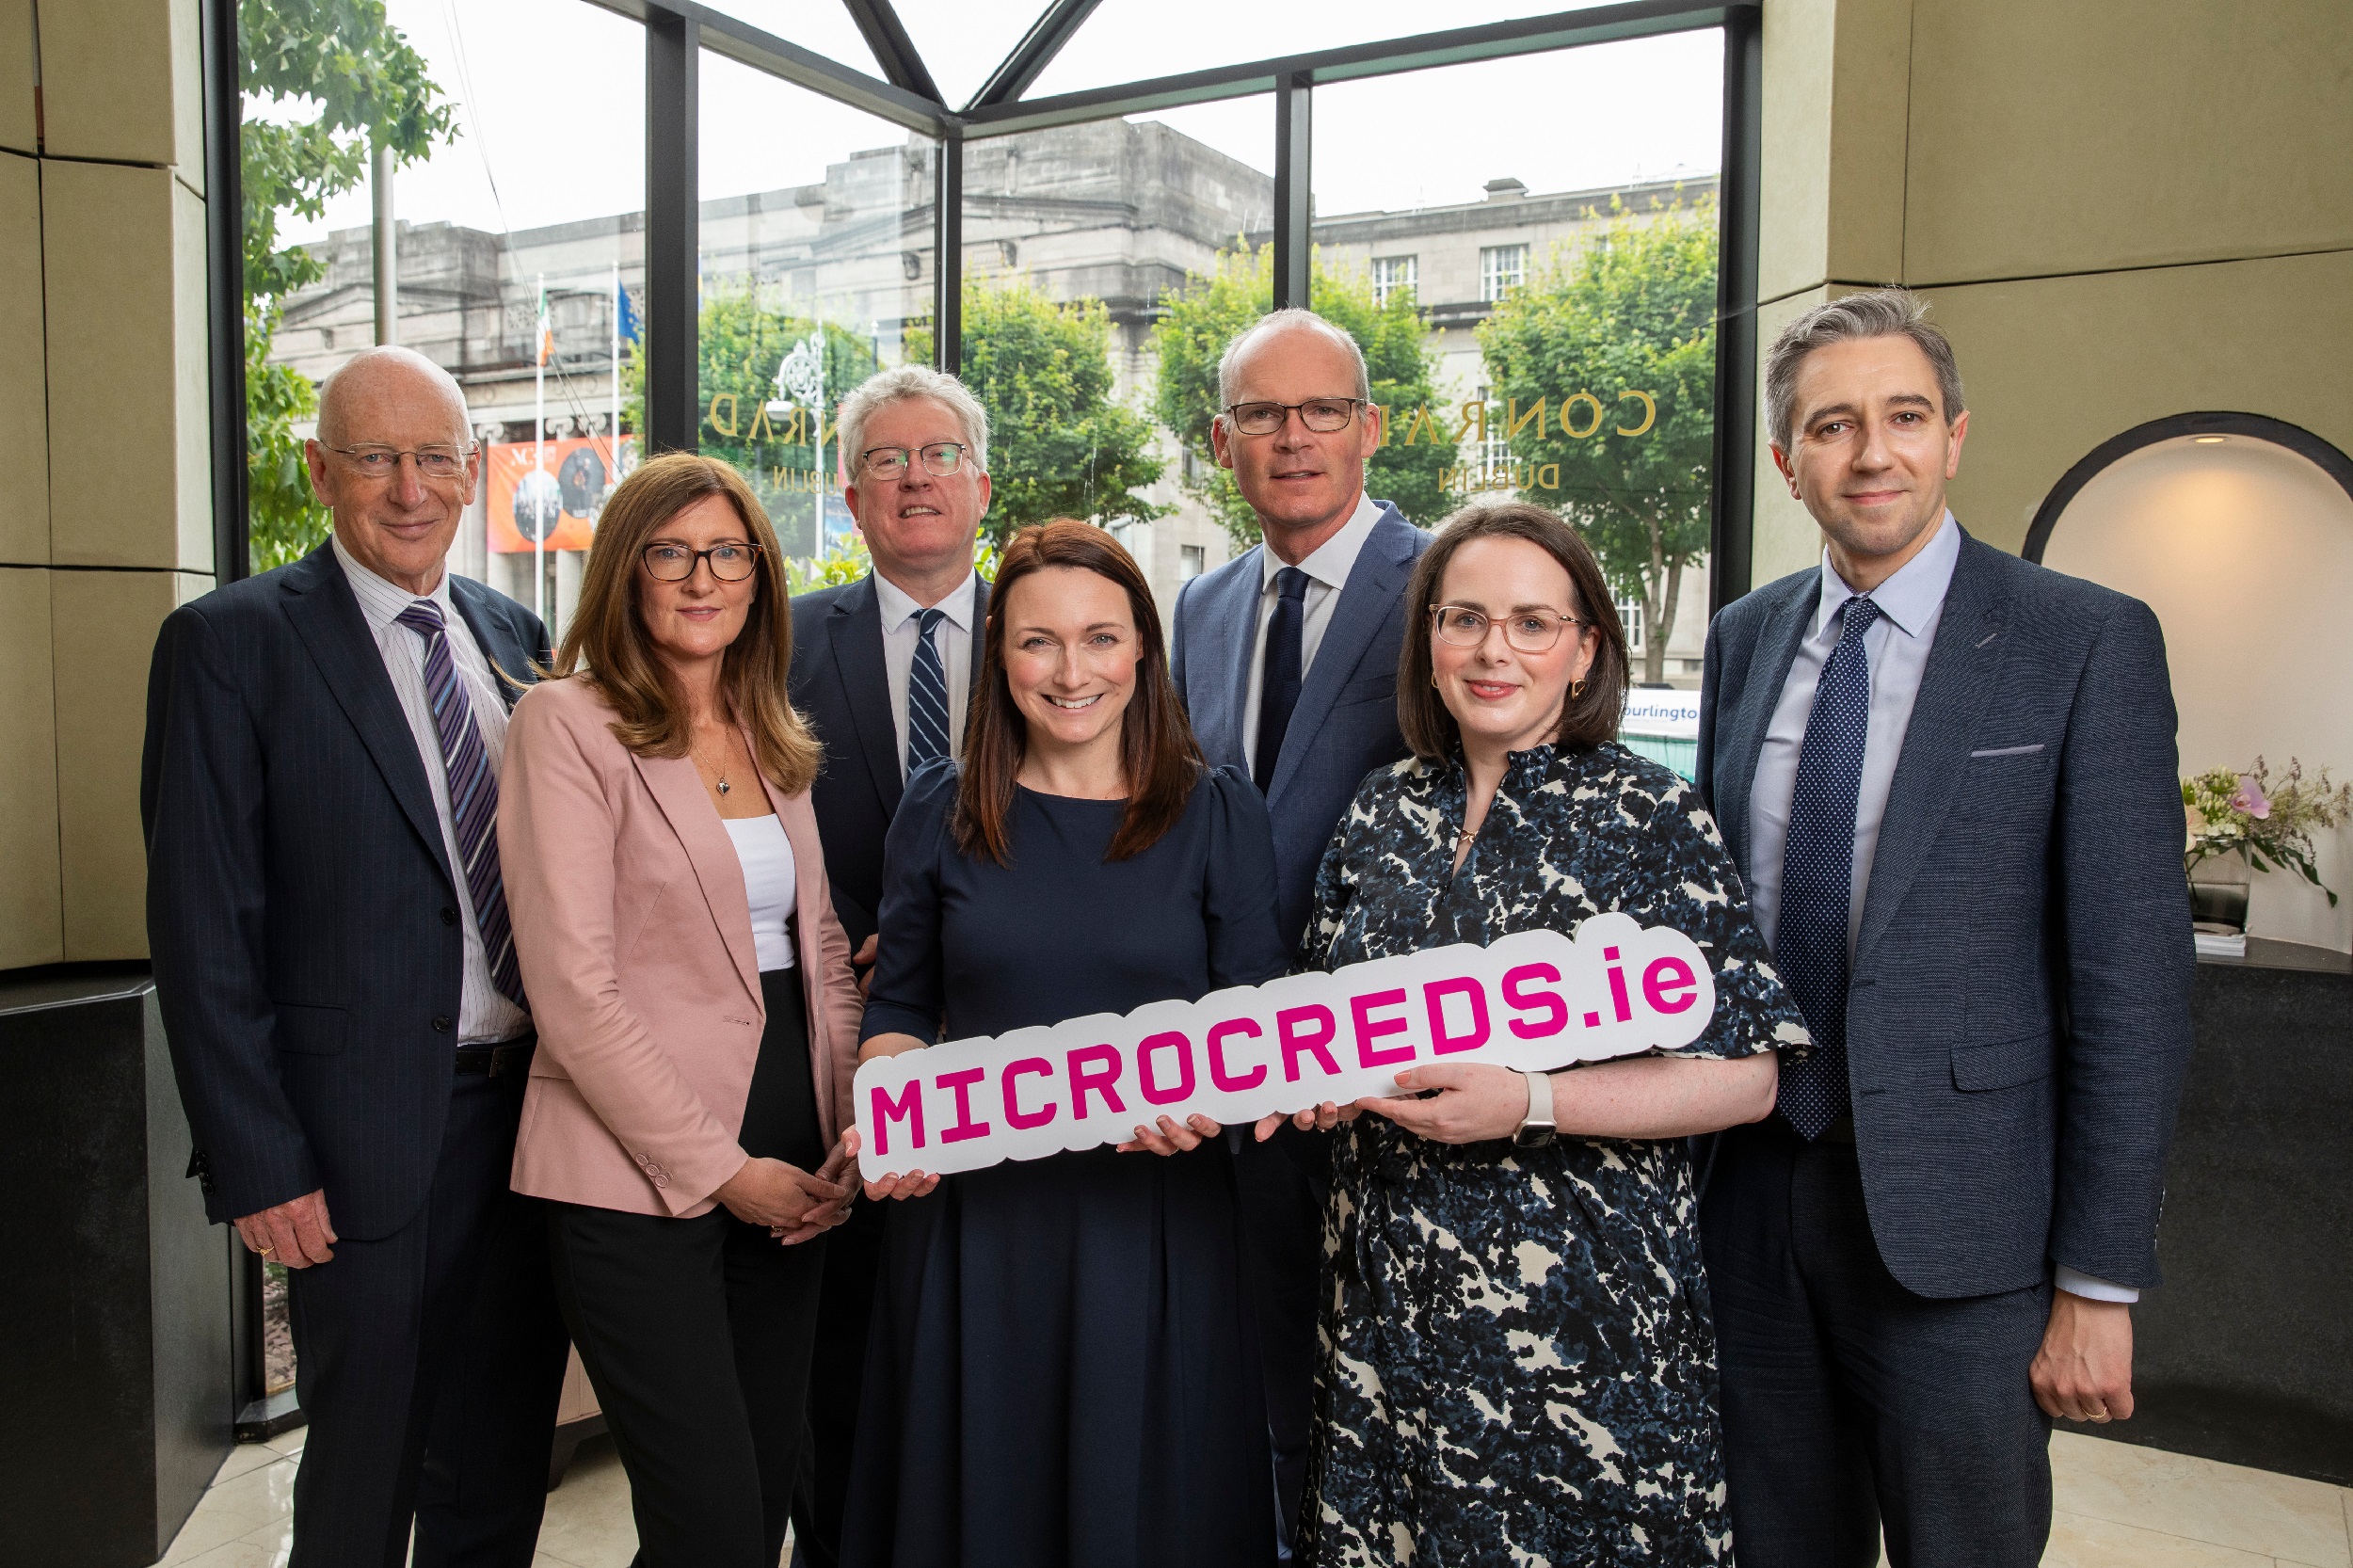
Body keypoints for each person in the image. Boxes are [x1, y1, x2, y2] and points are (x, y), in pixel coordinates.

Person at [1694, 288, 2196, 1566]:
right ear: (1785, 460)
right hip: (1750, 1206)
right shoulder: (1745, 641)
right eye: (1834, 425)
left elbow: (2131, 987)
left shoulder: (2080, 641)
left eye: (1904, 416)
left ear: (1955, 434)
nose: (1872, 452)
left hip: (1964, 1239)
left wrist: (2099, 1282)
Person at [1286, 503, 1802, 1565]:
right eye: (1464, 617)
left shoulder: (1650, 817)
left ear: (1584, 650)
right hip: (1384, 1318)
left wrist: (1529, 1098)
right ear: (1427, 641)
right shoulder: (1381, 810)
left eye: (1531, 622)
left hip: (1582, 1337)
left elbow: (1745, 1077)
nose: (1491, 650)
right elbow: (1315, 1028)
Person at [141, 345, 568, 1567]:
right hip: (357, 1136)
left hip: (529, 1120)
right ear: (321, 469)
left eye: (435, 456)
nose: (409, 486)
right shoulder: (229, 645)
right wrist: (257, 1157)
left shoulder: (513, 630)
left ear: (473, 472)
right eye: (376, 457)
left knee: (498, 1461)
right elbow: (201, 926)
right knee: (365, 1471)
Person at [841, 520, 1288, 1568]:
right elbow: (898, 1008)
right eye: (1038, 641)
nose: (1071, 669)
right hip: (975, 1234)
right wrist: (887, 1105)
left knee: (1146, 1514)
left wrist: (1216, 1104)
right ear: (1000, 655)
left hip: (1154, 1231)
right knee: (979, 1511)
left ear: (1143, 651)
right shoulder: (938, 810)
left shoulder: (1220, 814)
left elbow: (1256, 1026)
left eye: (1100, 637)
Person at [498, 453, 865, 1568]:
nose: (700, 577)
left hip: (796, 1160)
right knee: (704, 1522)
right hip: (634, 1174)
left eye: (726, 551)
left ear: (758, 573)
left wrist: (858, 1127)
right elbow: (573, 991)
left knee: (755, 1509)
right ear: (625, 571)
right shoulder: (566, 725)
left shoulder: (773, 734)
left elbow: (827, 954)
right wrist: (720, 1168)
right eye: (670, 552)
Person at [1167, 308, 1433, 1544]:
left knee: (1389, 1410)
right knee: (1259, 1382)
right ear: (1223, 441)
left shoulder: (1444, 586)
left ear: (1370, 428)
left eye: (1322, 409)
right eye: (1263, 414)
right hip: (1235, 1086)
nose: (1294, 437)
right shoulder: (1203, 608)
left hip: (1396, 1082)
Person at [784, 363, 994, 1567]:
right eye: (884, 461)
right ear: (852, 496)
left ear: (979, 483)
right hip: (839, 1045)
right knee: (848, 1360)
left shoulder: (1057, 631)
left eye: (935, 457)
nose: (913, 481)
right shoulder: (783, 635)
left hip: (1022, 1049)